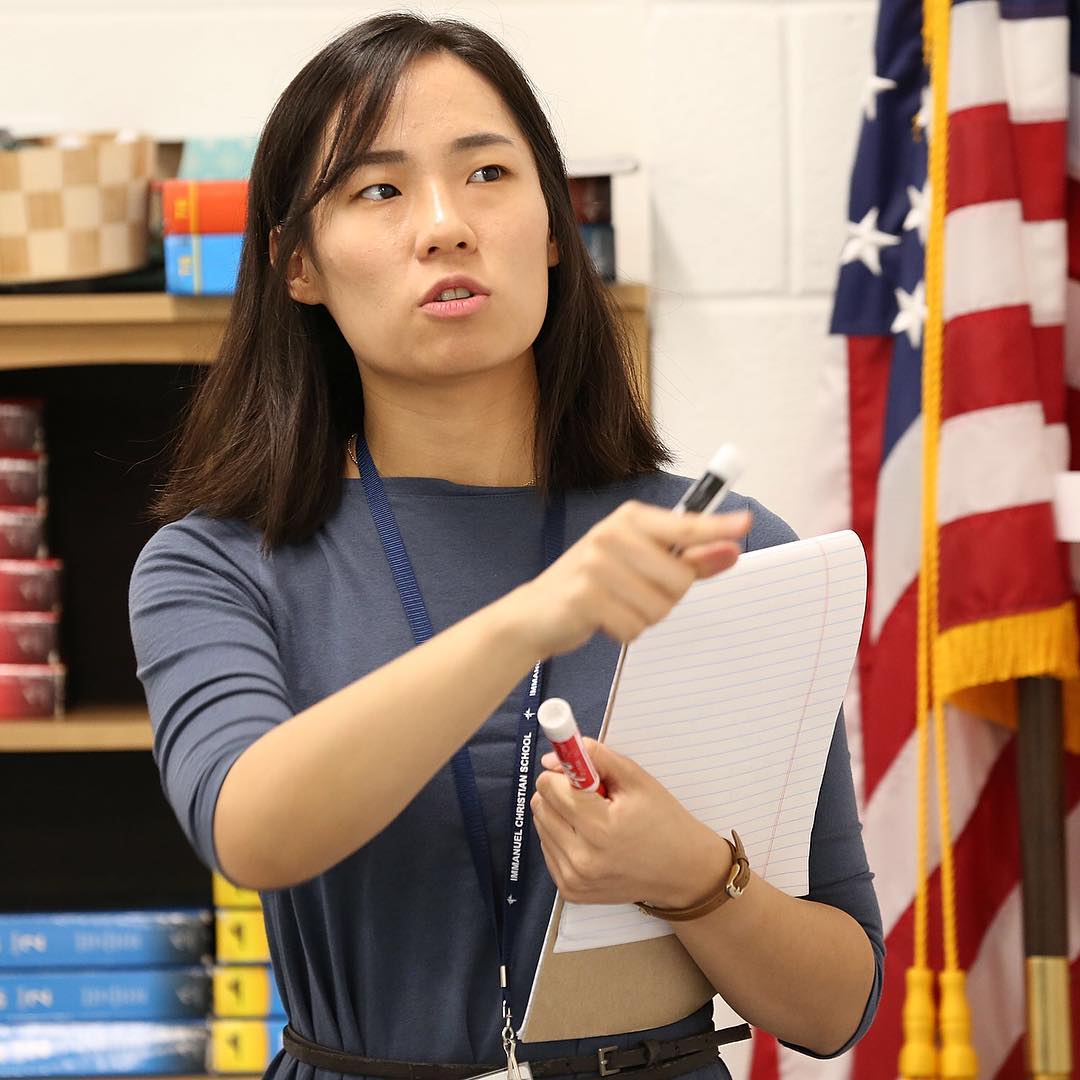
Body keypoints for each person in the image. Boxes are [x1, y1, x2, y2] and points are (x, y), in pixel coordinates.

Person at [128, 13, 884, 1080]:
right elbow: (251, 828)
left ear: (550, 224)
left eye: (487, 173)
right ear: (298, 264)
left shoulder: (723, 550)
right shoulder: (215, 562)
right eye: (379, 190)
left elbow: (837, 1003)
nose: (445, 226)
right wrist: (537, 616)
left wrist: (692, 877)